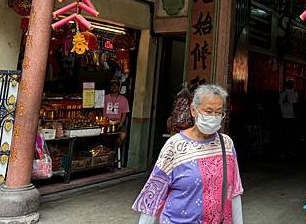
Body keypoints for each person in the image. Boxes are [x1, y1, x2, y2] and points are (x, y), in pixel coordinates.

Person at [133, 84, 244, 224]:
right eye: (208, 111)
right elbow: (154, 195)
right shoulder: (174, 146)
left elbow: (234, 190)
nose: (214, 117)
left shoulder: (227, 144)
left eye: (219, 112)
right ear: (193, 110)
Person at [103, 79, 130, 145]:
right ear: (110, 87)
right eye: (112, 85)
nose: (114, 87)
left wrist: (120, 124)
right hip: (105, 123)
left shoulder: (124, 100)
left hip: (117, 124)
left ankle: (116, 150)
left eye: (116, 85)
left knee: (122, 135)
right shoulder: (104, 98)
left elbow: (124, 114)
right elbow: (99, 110)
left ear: (119, 87)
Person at [279, 79, 299, 157]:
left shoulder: (281, 94)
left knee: (284, 135)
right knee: (291, 135)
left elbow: (279, 106)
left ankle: (283, 152)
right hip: (291, 117)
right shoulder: (294, 94)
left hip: (283, 117)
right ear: (292, 86)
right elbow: (295, 106)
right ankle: (290, 151)